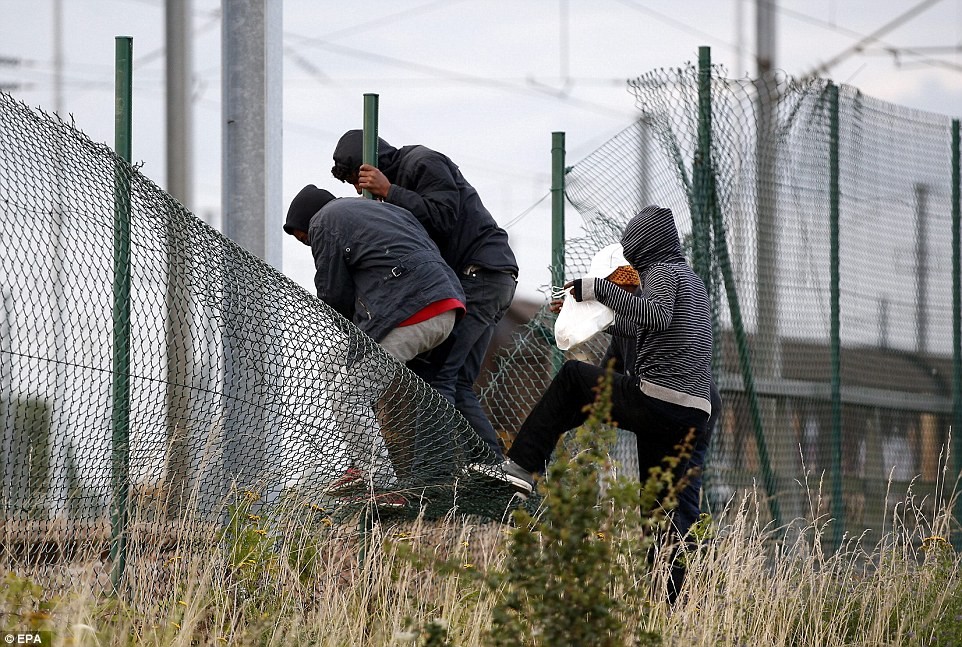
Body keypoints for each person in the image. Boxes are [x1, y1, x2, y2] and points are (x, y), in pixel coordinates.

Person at [469, 204, 714, 542]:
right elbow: (644, 325)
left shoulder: (662, 271)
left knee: (573, 377)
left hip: (660, 398)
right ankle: (669, 594)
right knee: (660, 512)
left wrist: (598, 288)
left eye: (631, 250)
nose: (630, 260)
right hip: (689, 413)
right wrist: (579, 309)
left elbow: (654, 315)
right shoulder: (690, 280)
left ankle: (521, 468)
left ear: (644, 245)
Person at [330, 131, 518, 461]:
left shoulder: (423, 162)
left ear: (369, 166)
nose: (359, 192)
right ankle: (494, 469)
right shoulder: (402, 179)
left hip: (479, 276)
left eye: (356, 180)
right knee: (458, 381)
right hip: (487, 277)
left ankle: (434, 475)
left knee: (436, 376)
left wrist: (390, 191)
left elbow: (444, 216)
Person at [284, 184, 466, 507]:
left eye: (304, 238)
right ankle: (363, 462)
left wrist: (349, 330)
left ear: (308, 221)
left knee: (348, 394)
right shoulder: (381, 212)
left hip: (414, 312)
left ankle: (382, 484)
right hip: (442, 305)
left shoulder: (324, 221)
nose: (308, 243)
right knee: (332, 362)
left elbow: (333, 295)